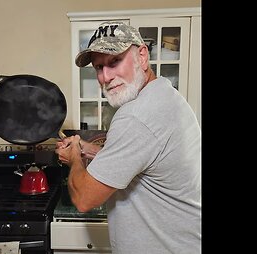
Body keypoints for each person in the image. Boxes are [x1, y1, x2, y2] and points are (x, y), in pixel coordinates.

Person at [55, 21, 201, 254]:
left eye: (115, 62)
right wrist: (86, 148)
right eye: (98, 67)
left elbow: (84, 199)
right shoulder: (165, 95)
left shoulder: (136, 116)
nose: (106, 76)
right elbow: (144, 162)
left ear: (142, 56)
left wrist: (74, 157)